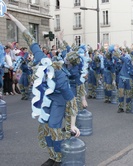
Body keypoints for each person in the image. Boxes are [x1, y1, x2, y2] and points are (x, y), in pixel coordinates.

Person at [5, 12, 80, 166]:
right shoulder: (40, 59)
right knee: (44, 127)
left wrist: (72, 124)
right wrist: (13, 18)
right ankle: (52, 156)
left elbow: (72, 101)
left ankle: (59, 158)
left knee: (54, 127)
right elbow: (28, 36)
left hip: (59, 100)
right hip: (46, 98)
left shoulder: (59, 77)